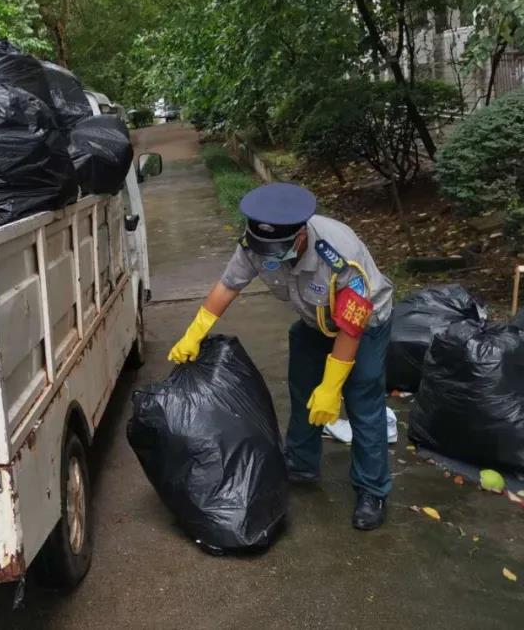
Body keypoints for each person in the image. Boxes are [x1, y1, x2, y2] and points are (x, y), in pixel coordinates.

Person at [168, 183, 394, 530]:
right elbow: (228, 285)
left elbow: (351, 329)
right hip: (314, 320)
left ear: (301, 234)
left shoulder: (338, 254)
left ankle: (372, 490)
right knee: (303, 389)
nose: (269, 256)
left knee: (362, 401)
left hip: (363, 325)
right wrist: (194, 332)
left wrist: (333, 386)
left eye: (280, 248)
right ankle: (302, 464)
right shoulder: (256, 244)